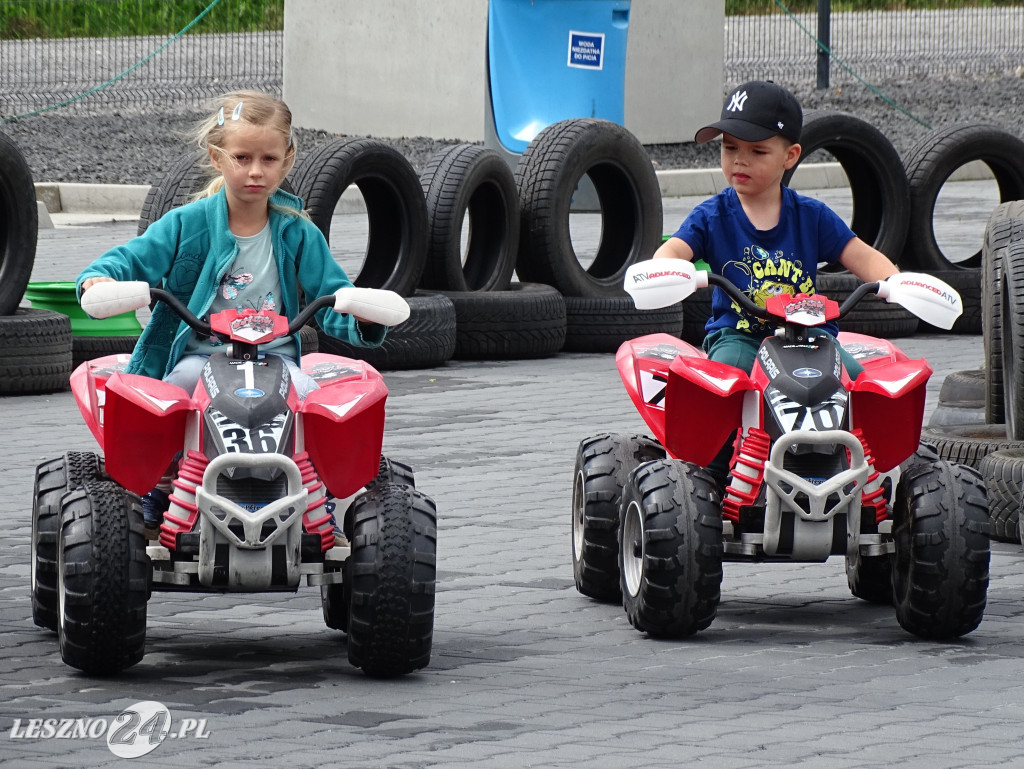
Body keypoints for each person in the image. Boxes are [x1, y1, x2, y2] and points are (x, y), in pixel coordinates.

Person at [77, 90, 387, 535]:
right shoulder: (187, 223)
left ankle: (315, 500)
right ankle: (158, 487)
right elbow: (130, 258)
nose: (256, 171)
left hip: (274, 358)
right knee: (172, 396)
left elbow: (333, 295)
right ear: (216, 156)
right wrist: (100, 278)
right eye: (242, 157)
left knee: (309, 402)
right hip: (200, 354)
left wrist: (361, 317)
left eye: (268, 158)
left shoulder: (298, 232)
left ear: (287, 159)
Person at [652, 80, 900, 481]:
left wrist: (897, 282)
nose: (739, 161)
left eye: (756, 151)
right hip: (740, 336)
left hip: (813, 341)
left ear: (791, 155)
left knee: (863, 386)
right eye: (729, 148)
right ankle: (706, 479)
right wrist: (666, 269)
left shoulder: (811, 216)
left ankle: (867, 478)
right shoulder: (712, 215)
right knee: (721, 384)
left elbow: (862, 256)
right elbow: (676, 248)